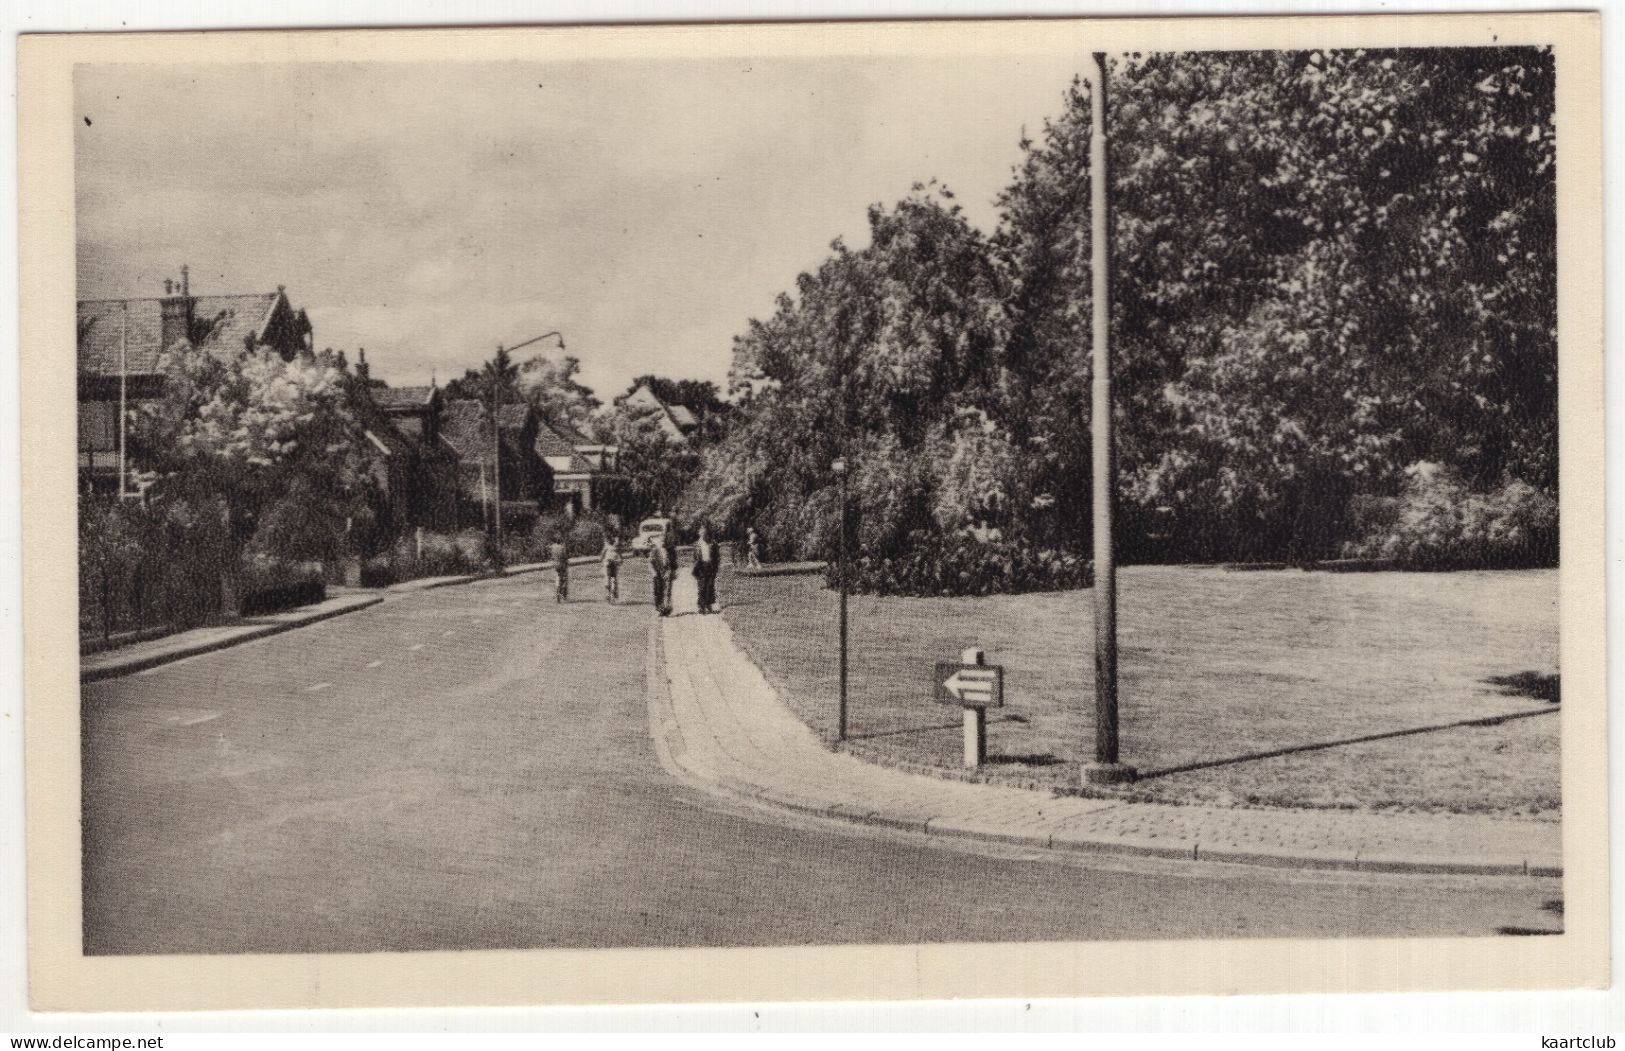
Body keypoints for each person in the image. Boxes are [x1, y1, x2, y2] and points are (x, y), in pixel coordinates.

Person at [692, 523, 721, 614]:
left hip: (710, 566)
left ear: (707, 533)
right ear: (699, 534)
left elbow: (717, 557)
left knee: (710, 586)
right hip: (700, 567)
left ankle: (708, 605)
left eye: (705, 533)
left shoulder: (713, 543)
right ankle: (701, 607)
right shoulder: (697, 544)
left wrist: (716, 568)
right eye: (701, 533)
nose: (703, 535)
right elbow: (694, 557)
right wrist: (695, 567)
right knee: (701, 587)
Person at [649, 537, 672, 616]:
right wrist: (654, 573)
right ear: (657, 542)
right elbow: (651, 563)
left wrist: (668, 572)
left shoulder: (666, 551)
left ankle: (665, 608)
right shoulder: (654, 550)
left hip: (664, 572)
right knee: (658, 591)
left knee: (665, 591)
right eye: (661, 541)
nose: (663, 542)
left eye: (663, 541)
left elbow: (668, 563)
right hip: (657, 573)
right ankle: (659, 608)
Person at [601, 532, 622, 603]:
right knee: (609, 579)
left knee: (613, 580)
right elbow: (602, 555)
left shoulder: (615, 547)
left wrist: (619, 560)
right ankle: (608, 594)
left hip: (613, 564)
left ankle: (613, 594)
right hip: (608, 564)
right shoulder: (607, 546)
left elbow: (619, 555)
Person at [549, 536, 569, 603]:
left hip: (556, 564)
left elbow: (551, 556)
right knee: (564, 578)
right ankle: (563, 593)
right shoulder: (563, 547)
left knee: (557, 576)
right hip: (562, 564)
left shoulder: (552, 547)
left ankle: (557, 589)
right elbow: (565, 556)